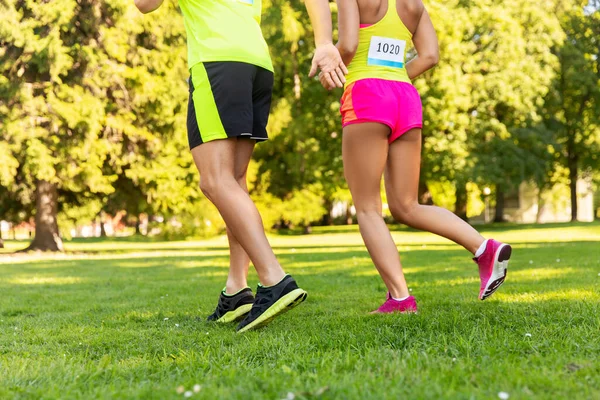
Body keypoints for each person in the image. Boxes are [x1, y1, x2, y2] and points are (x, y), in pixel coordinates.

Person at [134, 0, 347, 332]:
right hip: (256, 64)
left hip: (217, 60)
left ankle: (274, 280)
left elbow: (144, 5)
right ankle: (236, 289)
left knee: (215, 181)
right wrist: (322, 42)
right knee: (233, 180)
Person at [320, 0, 511, 313]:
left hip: (367, 94)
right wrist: (392, 77)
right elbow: (430, 56)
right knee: (406, 205)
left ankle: (400, 299)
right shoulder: (413, 4)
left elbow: (349, 44)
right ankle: (483, 248)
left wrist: (330, 64)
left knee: (367, 207)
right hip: (405, 97)